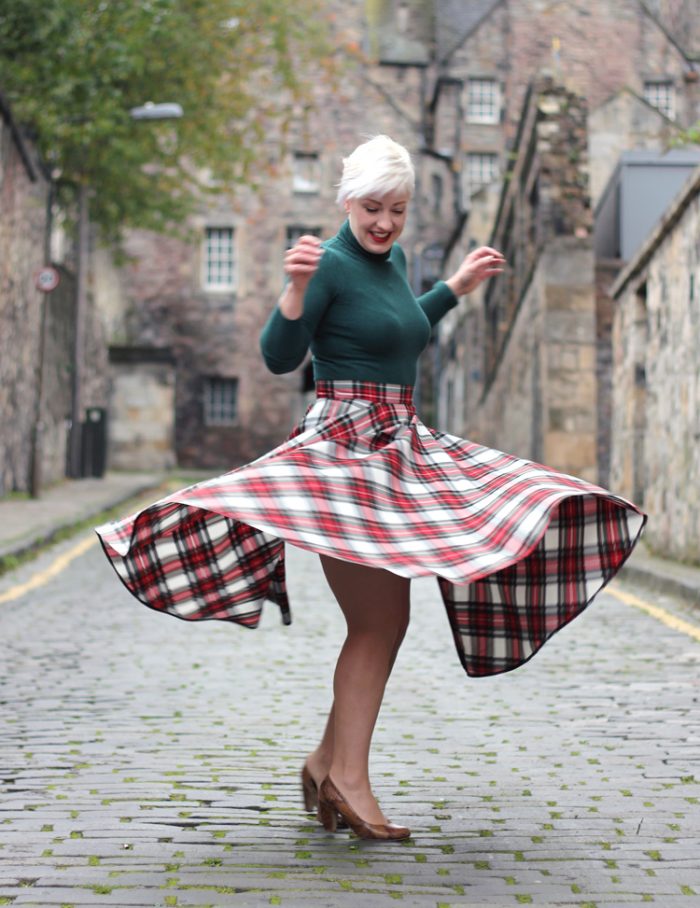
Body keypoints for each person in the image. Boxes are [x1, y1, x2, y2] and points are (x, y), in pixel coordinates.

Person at [96, 135, 645, 843]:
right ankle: (347, 779)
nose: (384, 222)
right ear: (345, 201)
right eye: (371, 208)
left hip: (399, 444)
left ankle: (328, 762)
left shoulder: (395, 262)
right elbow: (278, 355)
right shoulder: (326, 264)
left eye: (397, 209)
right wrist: (294, 292)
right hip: (348, 453)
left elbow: (396, 331)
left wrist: (452, 292)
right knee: (380, 622)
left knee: (393, 615)